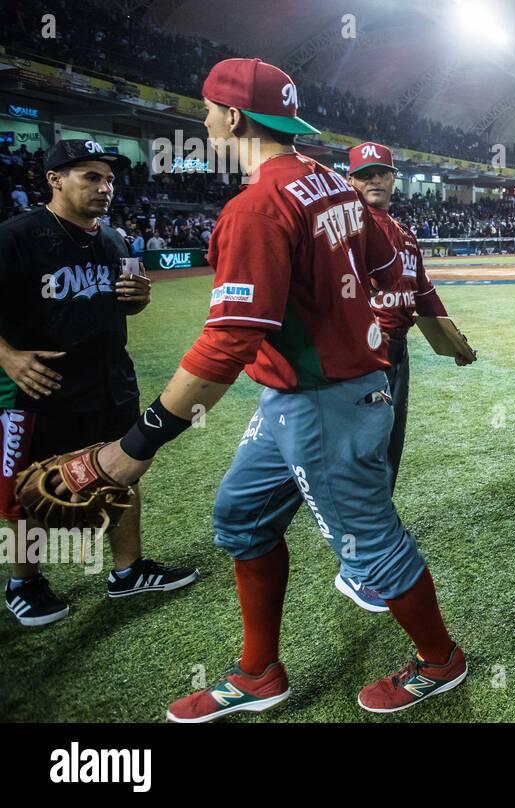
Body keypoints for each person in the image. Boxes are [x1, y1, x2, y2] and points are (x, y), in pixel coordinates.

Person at [56, 58, 466, 719]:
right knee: (241, 518)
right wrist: (347, 316)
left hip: (325, 399)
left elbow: (228, 343)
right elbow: (387, 261)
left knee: (369, 543)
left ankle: (441, 661)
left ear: (233, 116)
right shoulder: (330, 182)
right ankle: (258, 674)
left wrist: (133, 447)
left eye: (208, 110)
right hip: (304, 393)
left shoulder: (256, 207)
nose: (205, 121)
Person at [0, 139, 196, 627]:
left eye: (108, 179)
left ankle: (128, 571)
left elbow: (122, 305)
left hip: (110, 382)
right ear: (54, 179)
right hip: (39, 388)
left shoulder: (113, 240)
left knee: (121, 472)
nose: (105, 187)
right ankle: (24, 581)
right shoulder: (16, 237)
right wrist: (7, 356)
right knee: (29, 487)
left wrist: (139, 299)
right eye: (91, 177)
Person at [336, 140, 474, 611]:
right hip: (360, 356)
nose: (374, 180)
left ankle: (377, 535)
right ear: (350, 181)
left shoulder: (403, 233)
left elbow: (423, 293)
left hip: (395, 352)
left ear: (394, 178)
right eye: (364, 174)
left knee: (387, 450)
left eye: (382, 172)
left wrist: (452, 342)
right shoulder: (345, 229)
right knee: (361, 457)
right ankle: (356, 567)